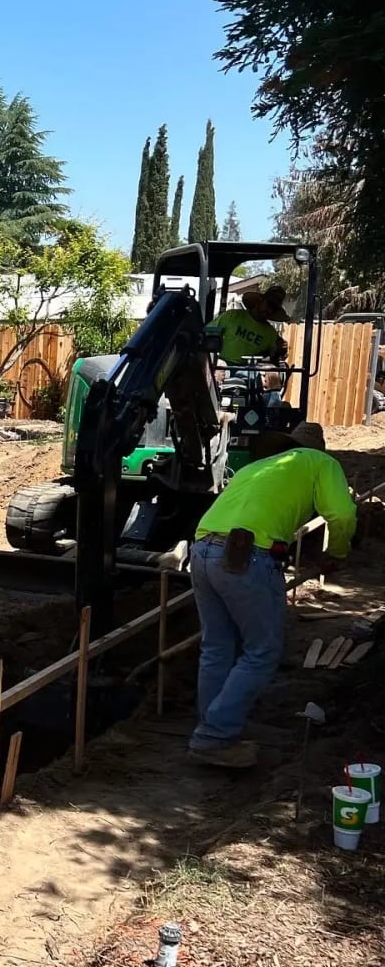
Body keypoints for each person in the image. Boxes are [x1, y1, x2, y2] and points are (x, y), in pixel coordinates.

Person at [187, 422, 357, 769]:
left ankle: (212, 725)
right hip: (246, 555)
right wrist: (338, 553)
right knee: (261, 652)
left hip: (202, 549)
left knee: (217, 646)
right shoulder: (320, 463)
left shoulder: (257, 467)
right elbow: (341, 512)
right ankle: (214, 736)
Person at [206, 285, 291, 372]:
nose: (270, 310)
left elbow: (276, 356)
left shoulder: (271, 333)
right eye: (269, 305)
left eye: (274, 309)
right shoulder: (232, 316)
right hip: (223, 365)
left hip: (249, 371)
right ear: (260, 300)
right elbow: (207, 332)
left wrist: (281, 349)